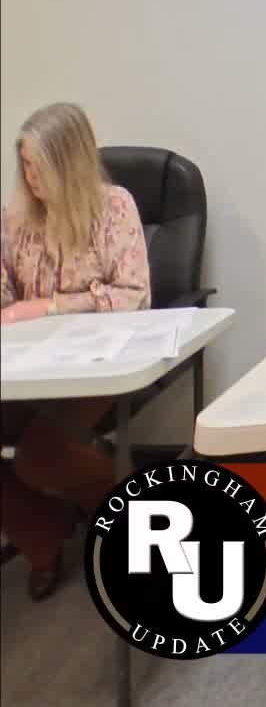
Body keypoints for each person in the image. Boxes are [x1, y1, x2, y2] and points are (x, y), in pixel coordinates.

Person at [0, 103, 151, 600]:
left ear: (69, 163)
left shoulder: (115, 208)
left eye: (39, 167)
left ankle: (133, 513)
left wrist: (50, 306)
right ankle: (43, 536)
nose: (30, 178)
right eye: (24, 166)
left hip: (98, 365)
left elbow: (133, 295)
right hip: (26, 368)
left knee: (39, 456)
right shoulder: (15, 219)